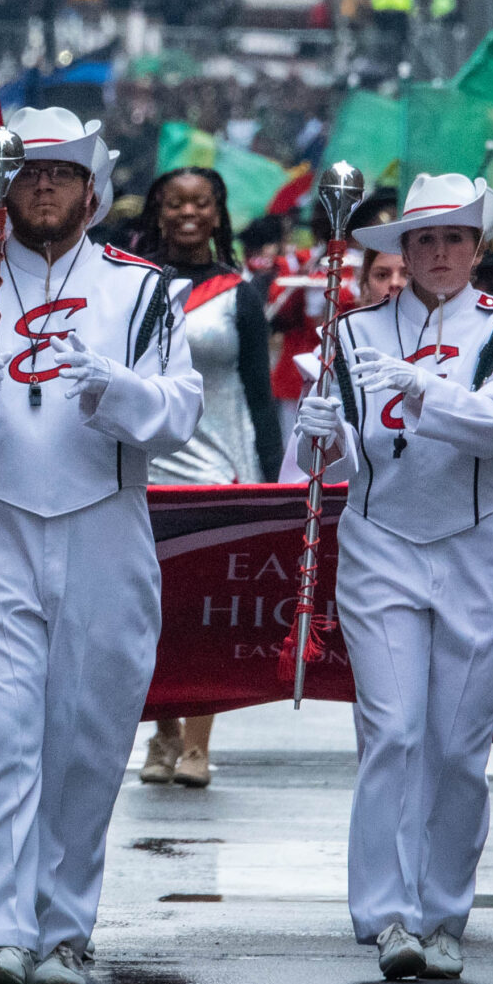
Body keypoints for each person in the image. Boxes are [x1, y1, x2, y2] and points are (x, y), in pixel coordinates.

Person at [0, 106, 201, 984]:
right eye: (30, 173)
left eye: (61, 173)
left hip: (106, 526)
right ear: (2, 188)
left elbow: (182, 412)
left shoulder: (143, 291)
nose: (45, 186)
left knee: (88, 738)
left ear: (90, 190)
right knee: (2, 730)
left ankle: (65, 928)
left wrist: (120, 391)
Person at [290, 173, 493, 982]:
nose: (439, 253)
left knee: (456, 743)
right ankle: (386, 915)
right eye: (424, 239)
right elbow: (310, 465)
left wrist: (422, 384)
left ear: (478, 247)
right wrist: (314, 434)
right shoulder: (349, 332)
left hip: (477, 542)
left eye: (455, 238)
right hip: (381, 542)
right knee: (395, 728)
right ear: (400, 252)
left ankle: (444, 910)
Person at [132, 167, 282, 791]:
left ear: (218, 213)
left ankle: (197, 743)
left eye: (201, 203)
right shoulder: (133, 286)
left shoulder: (240, 293)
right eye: (174, 203)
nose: (188, 213)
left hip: (222, 465)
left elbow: (259, 391)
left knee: (203, 608)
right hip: (147, 464)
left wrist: (269, 479)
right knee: (150, 608)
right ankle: (161, 732)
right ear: (158, 212)